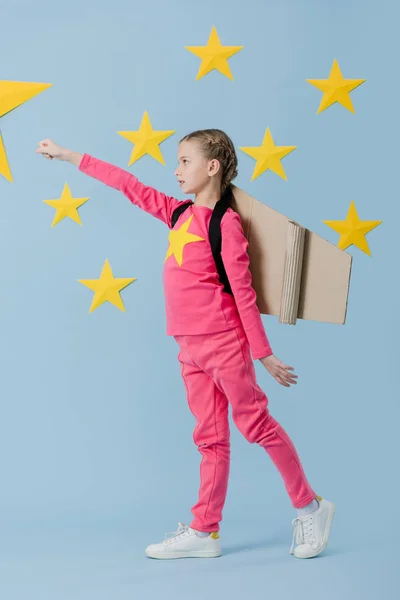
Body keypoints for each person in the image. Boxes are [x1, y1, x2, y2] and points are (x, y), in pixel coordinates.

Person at [36, 129, 335, 560]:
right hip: (188, 347)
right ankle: (204, 531)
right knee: (210, 439)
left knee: (255, 426)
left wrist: (263, 353)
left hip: (225, 344)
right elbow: (129, 185)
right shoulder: (177, 214)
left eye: (184, 162)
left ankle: (311, 506)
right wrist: (69, 156)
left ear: (211, 167)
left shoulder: (225, 224)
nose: (176, 171)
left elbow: (244, 292)